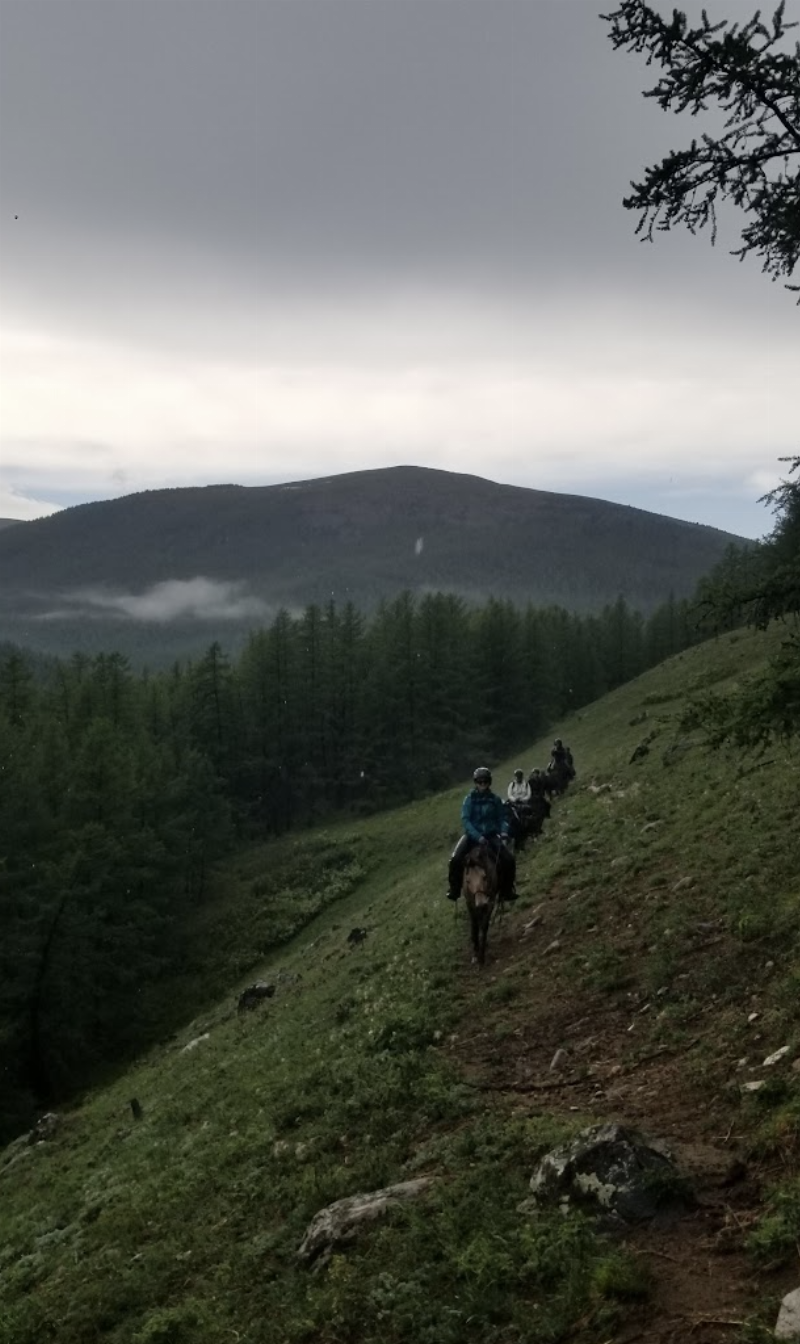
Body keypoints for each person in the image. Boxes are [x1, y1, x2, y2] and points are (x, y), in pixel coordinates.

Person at [447, 766, 517, 902]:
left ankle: (507, 890)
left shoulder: (495, 800)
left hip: (491, 836)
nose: (483, 784)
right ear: (476, 783)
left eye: (485, 782)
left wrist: (503, 831)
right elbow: (466, 820)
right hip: (472, 836)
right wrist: (478, 836)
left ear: (489, 782)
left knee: (509, 860)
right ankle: (454, 889)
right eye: (480, 782)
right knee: (455, 859)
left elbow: (502, 818)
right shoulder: (469, 799)